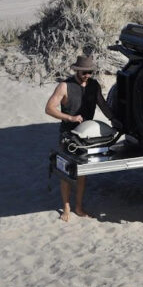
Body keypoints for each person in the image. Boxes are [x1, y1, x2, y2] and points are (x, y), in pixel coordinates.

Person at [45, 55, 115, 222]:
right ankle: (66, 208)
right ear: (77, 70)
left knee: (83, 173)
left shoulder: (94, 85)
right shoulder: (64, 86)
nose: (87, 75)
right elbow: (49, 108)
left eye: (90, 72)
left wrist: (115, 120)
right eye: (84, 72)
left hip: (86, 137)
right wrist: (70, 118)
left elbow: (103, 106)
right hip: (67, 135)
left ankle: (79, 207)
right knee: (66, 174)